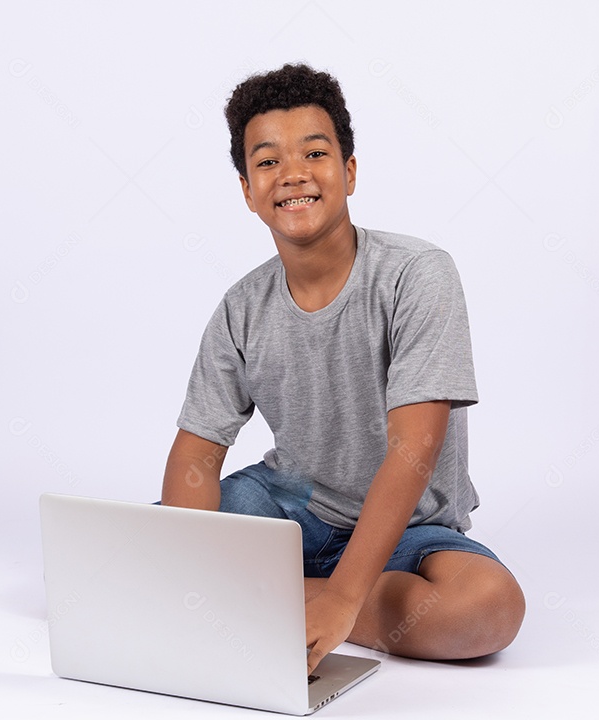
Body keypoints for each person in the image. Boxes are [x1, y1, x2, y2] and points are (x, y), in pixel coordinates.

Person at [161, 63, 524, 675]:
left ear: (349, 172)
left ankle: (278, 598)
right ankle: (264, 591)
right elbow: (197, 454)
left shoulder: (418, 275)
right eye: (268, 161)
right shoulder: (241, 306)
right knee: (143, 550)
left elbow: (415, 448)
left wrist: (343, 595)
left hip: (406, 527)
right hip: (287, 508)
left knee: (488, 609)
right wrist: (184, 556)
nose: (293, 173)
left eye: (315, 152)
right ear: (248, 191)